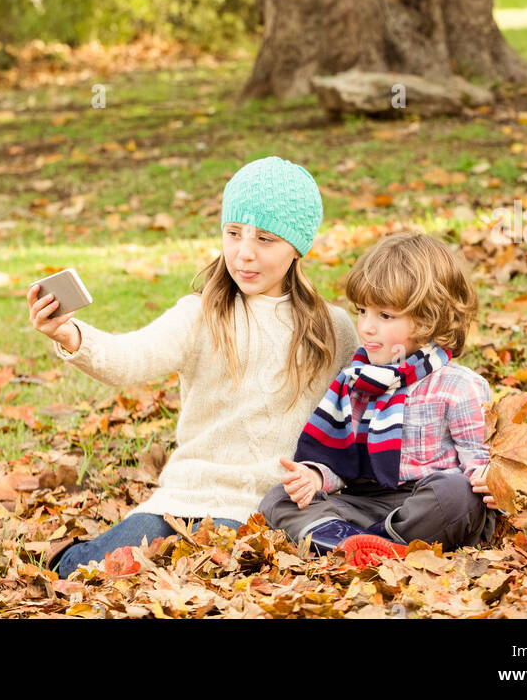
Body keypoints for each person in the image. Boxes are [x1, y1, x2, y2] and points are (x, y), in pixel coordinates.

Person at [28, 155, 358, 578]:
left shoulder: (333, 330)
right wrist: (71, 336)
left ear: (298, 247)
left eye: (265, 240)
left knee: (207, 572)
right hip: (183, 500)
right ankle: (72, 554)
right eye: (234, 233)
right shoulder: (200, 315)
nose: (244, 253)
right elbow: (130, 358)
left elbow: (364, 416)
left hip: (268, 508)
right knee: (89, 570)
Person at [259, 231, 499, 567]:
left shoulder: (458, 387)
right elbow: (338, 462)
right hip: (367, 504)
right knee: (278, 499)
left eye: (385, 316)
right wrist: (313, 478)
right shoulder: (354, 383)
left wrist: (489, 479)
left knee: (456, 494)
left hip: (427, 505)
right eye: (362, 312)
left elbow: (479, 463)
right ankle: (350, 543)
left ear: (430, 318)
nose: (367, 327)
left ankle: (375, 543)